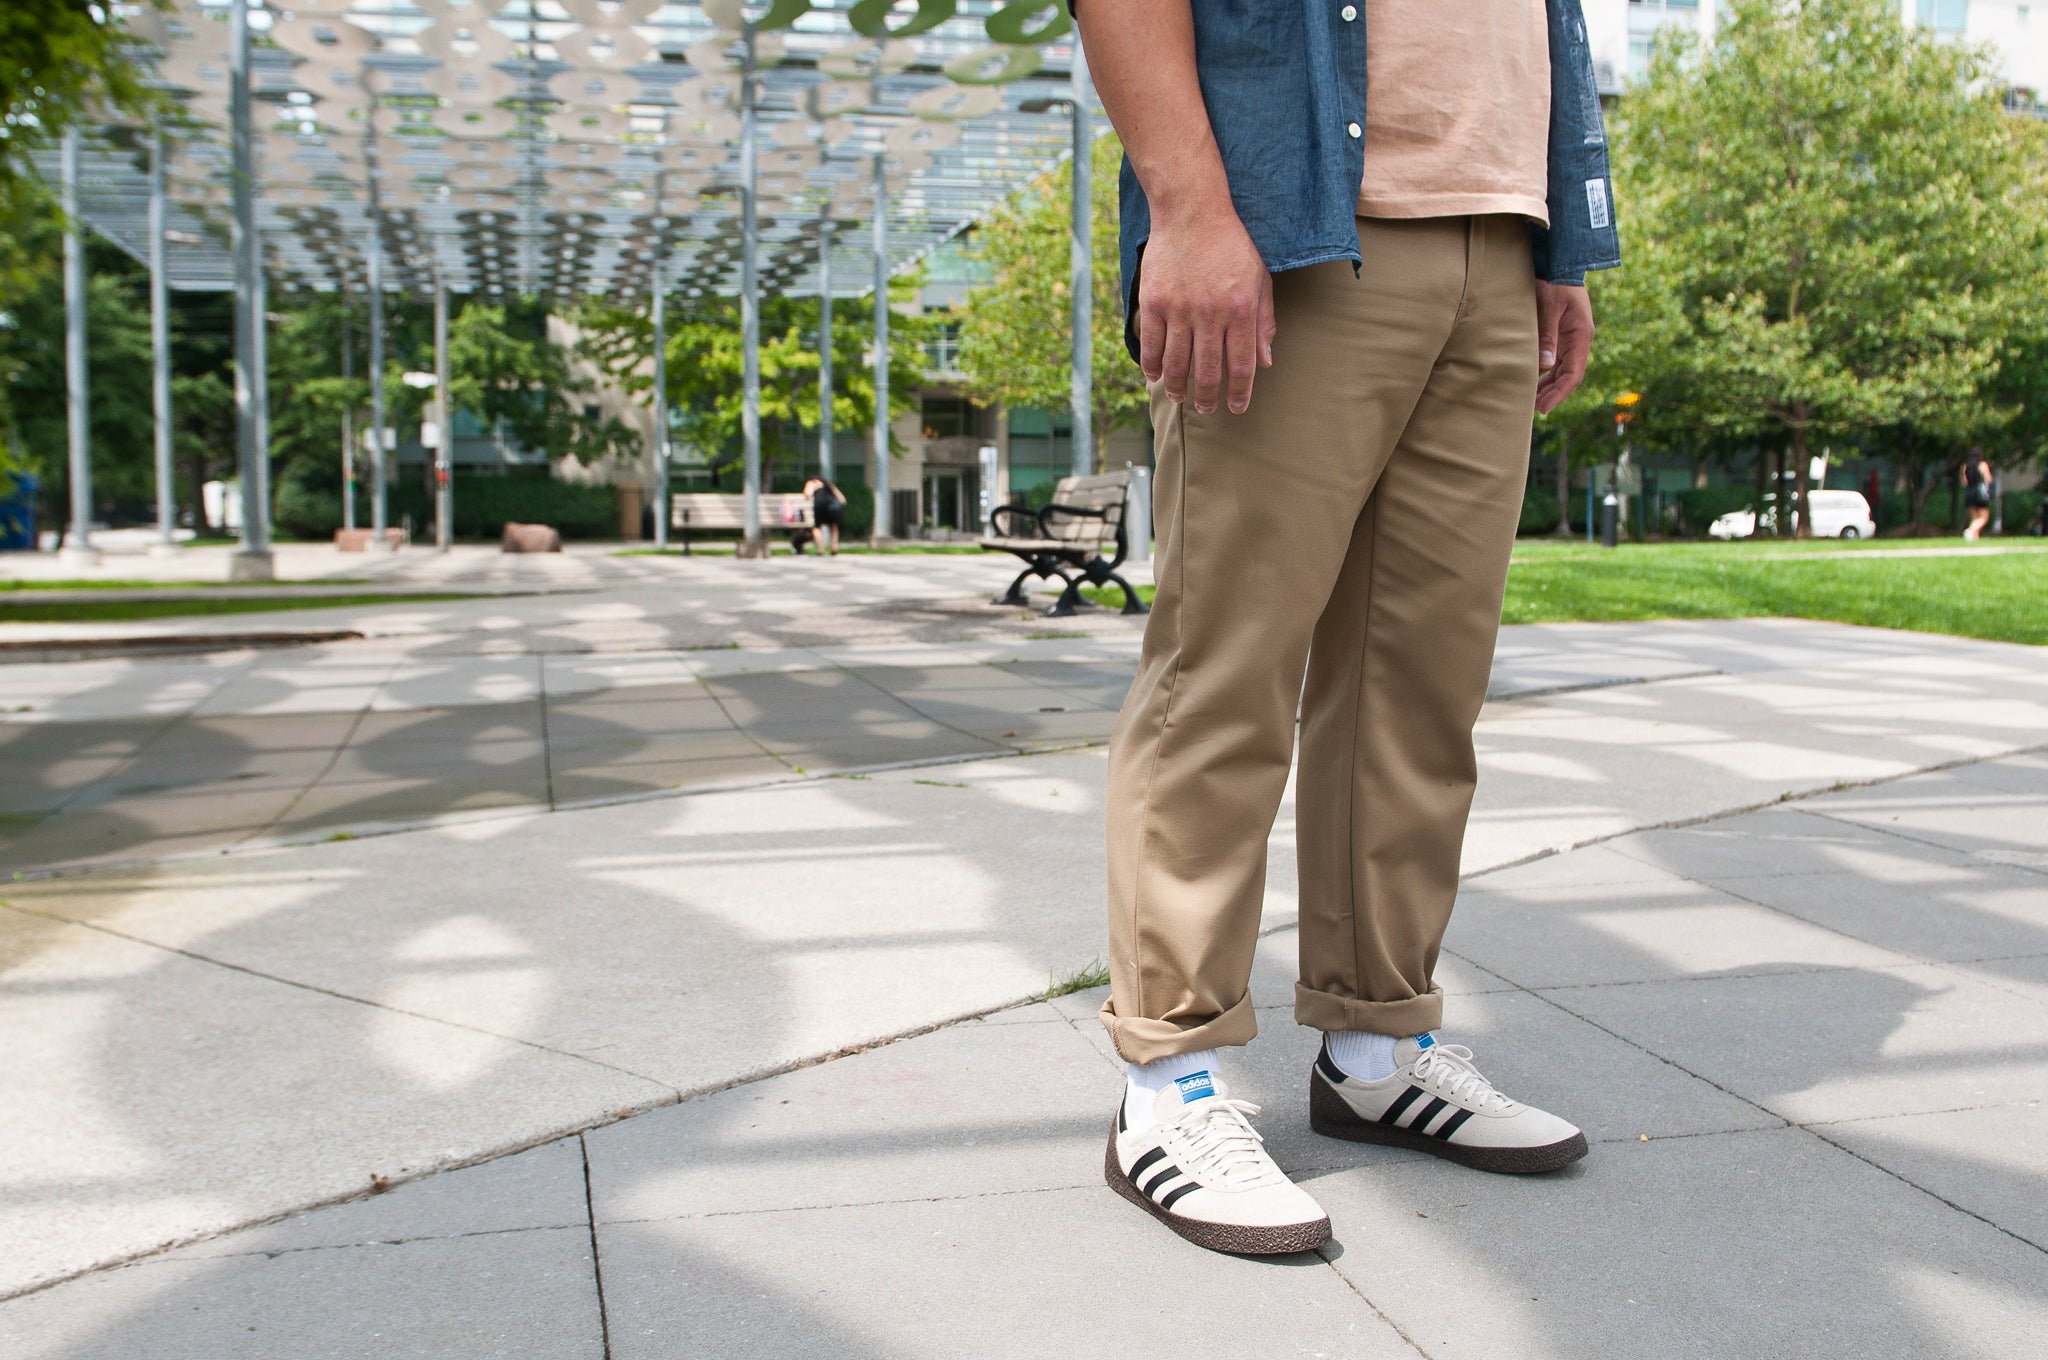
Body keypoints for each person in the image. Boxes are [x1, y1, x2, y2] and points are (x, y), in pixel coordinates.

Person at [1075, 0, 1620, 1255]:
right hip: (1297, 217)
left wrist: (1551, 244)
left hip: (1494, 234)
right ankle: (1168, 1080)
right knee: (1228, 665)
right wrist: (1194, 209)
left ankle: (1377, 1046)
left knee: (1420, 685)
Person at [803, 476, 846, 555]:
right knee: (833, 526)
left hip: (820, 507)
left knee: (817, 527)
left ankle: (821, 550)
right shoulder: (828, 484)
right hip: (831, 508)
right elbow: (842, 500)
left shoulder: (812, 483)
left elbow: (807, 493)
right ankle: (834, 548)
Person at [1962, 451, 1993, 541]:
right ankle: (1970, 531)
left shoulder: (1965, 466)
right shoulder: (1982, 465)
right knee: (1984, 517)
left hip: (1969, 493)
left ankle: (1975, 538)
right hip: (1979, 493)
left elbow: (1965, 482)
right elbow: (1988, 479)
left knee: (1975, 517)